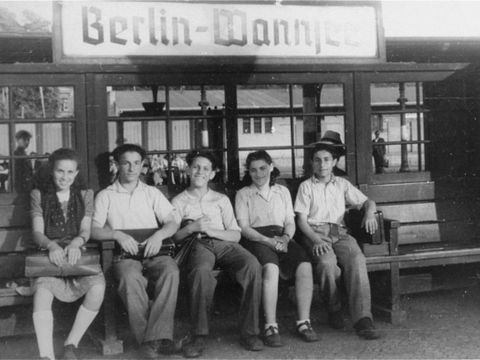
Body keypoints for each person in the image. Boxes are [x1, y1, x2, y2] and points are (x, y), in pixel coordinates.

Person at [91, 143, 181, 359]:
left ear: (143, 166)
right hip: (125, 256)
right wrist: (117, 235)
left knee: (171, 272)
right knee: (130, 279)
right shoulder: (106, 195)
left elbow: (172, 222)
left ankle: (152, 341)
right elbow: (93, 230)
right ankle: (153, 340)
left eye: (136, 163)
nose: (131, 168)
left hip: (155, 252)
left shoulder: (151, 193)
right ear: (117, 166)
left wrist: (159, 235)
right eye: (125, 163)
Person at [171, 150, 263, 358]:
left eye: (206, 168)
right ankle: (199, 335)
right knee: (201, 272)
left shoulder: (220, 199)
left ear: (212, 174)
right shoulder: (179, 201)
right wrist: (191, 228)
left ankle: (250, 332)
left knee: (252, 264)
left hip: (224, 243)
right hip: (198, 245)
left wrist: (212, 231)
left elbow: (236, 235)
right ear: (188, 169)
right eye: (196, 167)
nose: (200, 172)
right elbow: (173, 238)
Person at [294, 131, 382, 340]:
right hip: (314, 233)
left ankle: (362, 318)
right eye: (317, 160)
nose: (322, 165)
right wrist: (315, 240)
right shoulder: (306, 187)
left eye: (326, 160)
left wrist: (369, 213)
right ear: (312, 163)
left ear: (334, 162)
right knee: (327, 264)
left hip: (339, 233)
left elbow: (367, 202)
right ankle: (334, 309)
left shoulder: (342, 184)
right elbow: (301, 221)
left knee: (356, 259)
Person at [235, 150, 318, 347]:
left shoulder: (282, 191)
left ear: (271, 167)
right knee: (270, 268)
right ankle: (271, 326)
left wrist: (287, 237)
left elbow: (290, 220)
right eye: (253, 170)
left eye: (263, 168)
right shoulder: (243, 194)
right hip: (256, 239)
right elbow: (244, 228)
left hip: (282, 236)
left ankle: (304, 322)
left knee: (304, 264)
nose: (259, 174)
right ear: (249, 172)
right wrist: (268, 241)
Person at [30, 148, 105, 360]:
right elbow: (37, 232)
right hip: (49, 256)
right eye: (60, 171)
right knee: (42, 294)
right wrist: (52, 246)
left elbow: (85, 230)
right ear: (52, 172)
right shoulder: (39, 195)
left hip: (76, 254)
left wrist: (76, 242)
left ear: (77, 173)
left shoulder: (85, 195)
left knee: (98, 287)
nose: (65, 177)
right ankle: (46, 355)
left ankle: (71, 344)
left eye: (70, 172)